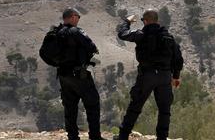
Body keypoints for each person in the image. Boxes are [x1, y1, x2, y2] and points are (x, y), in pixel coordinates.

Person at [115, 9, 183, 140]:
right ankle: (162, 138)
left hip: (147, 76)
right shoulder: (168, 37)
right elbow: (178, 58)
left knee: (135, 107)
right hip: (164, 76)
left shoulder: (141, 34)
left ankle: (123, 136)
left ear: (145, 21)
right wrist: (176, 76)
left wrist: (127, 22)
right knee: (164, 110)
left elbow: (122, 34)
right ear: (157, 20)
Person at [52, 8, 103, 140]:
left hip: (63, 75)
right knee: (92, 103)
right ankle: (95, 136)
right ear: (73, 17)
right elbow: (92, 47)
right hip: (78, 75)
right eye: (78, 17)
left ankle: (73, 136)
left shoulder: (56, 33)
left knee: (70, 107)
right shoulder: (75, 31)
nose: (78, 19)